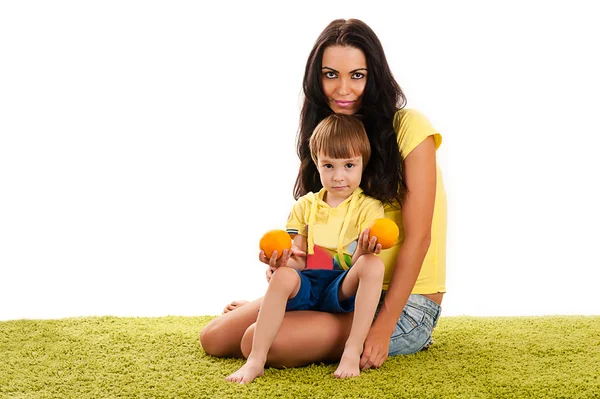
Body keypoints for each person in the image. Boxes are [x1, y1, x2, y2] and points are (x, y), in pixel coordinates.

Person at [201, 17, 446, 372]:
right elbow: (332, 252)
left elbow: (420, 238)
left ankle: (313, 324)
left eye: (357, 75)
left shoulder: (410, 128)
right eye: (331, 74)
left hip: (403, 303)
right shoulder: (331, 135)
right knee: (214, 338)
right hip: (335, 285)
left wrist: (382, 328)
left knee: (254, 341)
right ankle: (298, 315)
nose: (342, 89)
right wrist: (293, 265)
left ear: (374, 76)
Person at [227, 114, 387, 383]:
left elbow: (356, 265)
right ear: (317, 164)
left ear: (362, 164)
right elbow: (299, 259)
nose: (339, 176)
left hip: (342, 285)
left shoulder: (368, 208)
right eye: (329, 166)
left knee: (373, 264)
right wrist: (282, 262)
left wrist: (363, 251)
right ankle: (256, 360)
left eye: (349, 165)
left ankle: (352, 349)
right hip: (310, 281)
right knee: (283, 275)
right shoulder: (304, 206)